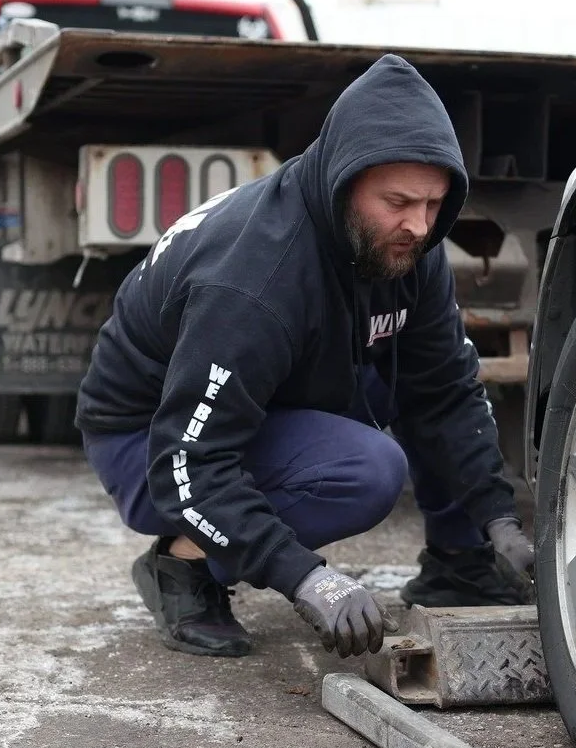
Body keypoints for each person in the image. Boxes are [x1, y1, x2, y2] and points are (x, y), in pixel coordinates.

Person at [75, 54, 534, 661]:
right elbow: (190, 459)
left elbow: (447, 388)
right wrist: (304, 576)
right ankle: (183, 566)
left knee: (425, 381)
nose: (419, 226)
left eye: (432, 205)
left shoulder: (405, 245)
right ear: (344, 181)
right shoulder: (253, 284)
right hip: (151, 437)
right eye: (397, 202)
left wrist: (496, 519)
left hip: (270, 391)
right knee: (366, 472)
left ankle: (461, 565)